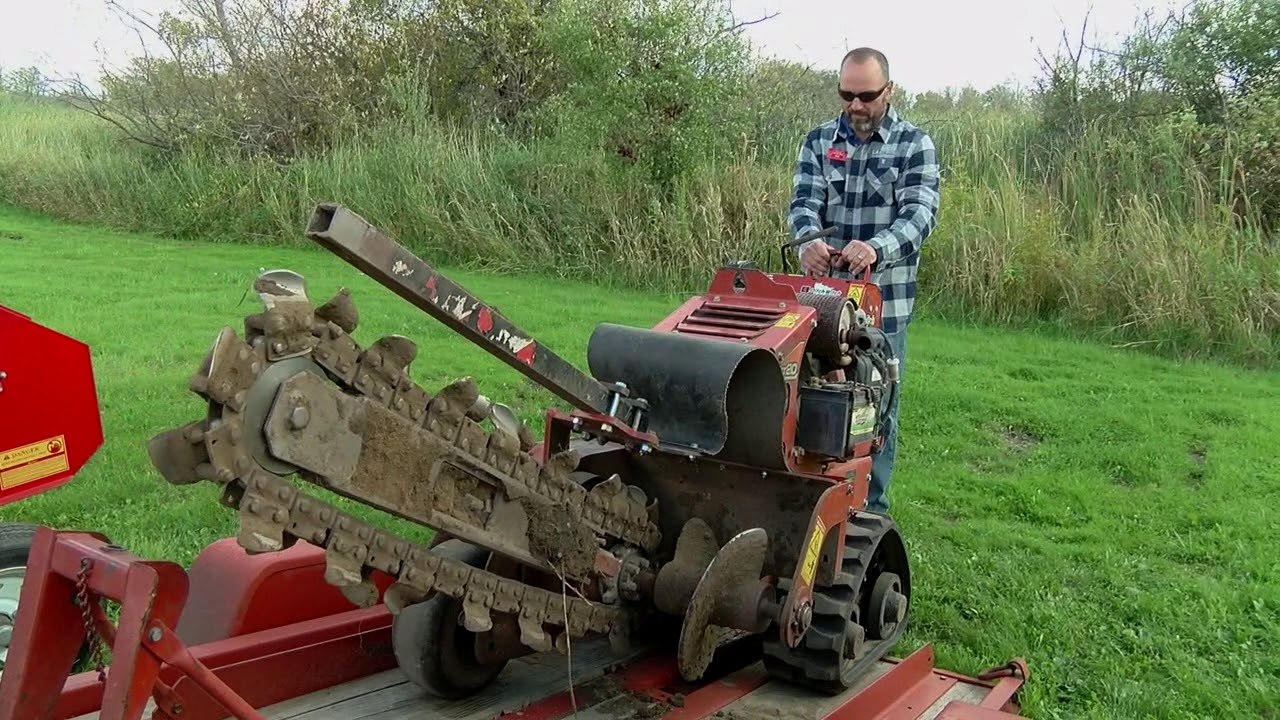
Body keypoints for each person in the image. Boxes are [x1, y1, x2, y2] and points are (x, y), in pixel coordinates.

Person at [788, 47, 941, 515]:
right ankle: (813, 505)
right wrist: (807, 240)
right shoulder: (818, 142)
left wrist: (876, 248)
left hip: (882, 311)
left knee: (874, 414)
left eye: (867, 96)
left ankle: (869, 515)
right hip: (819, 306)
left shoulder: (914, 146)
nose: (855, 106)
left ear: (888, 92)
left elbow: (920, 215)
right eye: (846, 95)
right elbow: (803, 204)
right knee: (808, 402)